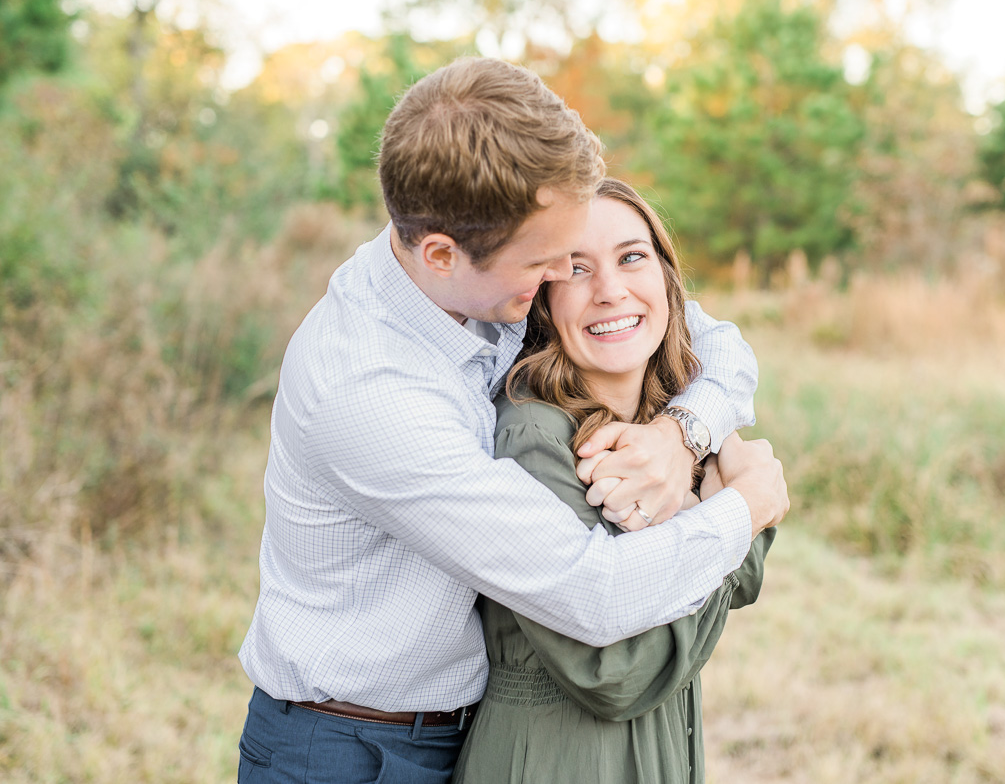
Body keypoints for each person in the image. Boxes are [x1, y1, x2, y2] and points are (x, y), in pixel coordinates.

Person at [235, 57, 789, 783]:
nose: (565, 278)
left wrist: (679, 437)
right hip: (346, 751)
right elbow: (590, 594)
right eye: (550, 263)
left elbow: (714, 342)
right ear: (440, 254)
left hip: (462, 731)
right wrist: (744, 510)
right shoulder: (368, 390)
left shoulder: (480, 272)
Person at [452, 178, 776, 784]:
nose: (610, 291)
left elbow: (743, 581)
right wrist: (745, 512)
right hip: (554, 757)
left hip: (660, 745)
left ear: (667, 280)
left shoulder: (672, 427)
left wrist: (721, 505)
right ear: (543, 300)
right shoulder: (532, 436)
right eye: (576, 269)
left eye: (632, 257)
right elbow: (614, 674)